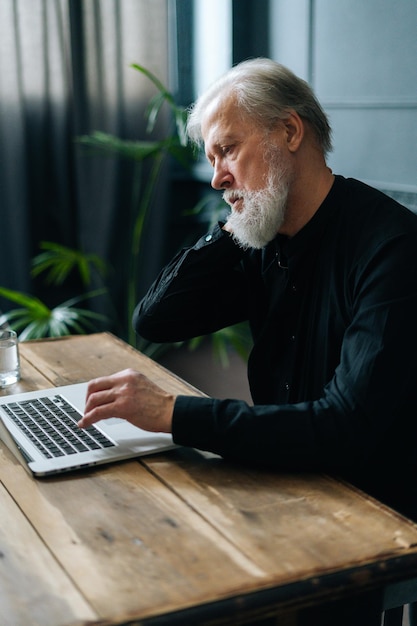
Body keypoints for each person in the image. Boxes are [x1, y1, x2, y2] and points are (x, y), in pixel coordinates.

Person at [78, 58, 417, 624]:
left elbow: (344, 429)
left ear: (289, 132)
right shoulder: (265, 234)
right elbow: (156, 320)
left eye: (229, 150)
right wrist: (234, 224)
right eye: (210, 161)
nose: (216, 178)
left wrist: (173, 413)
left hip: (369, 509)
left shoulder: (392, 249)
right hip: (286, 475)